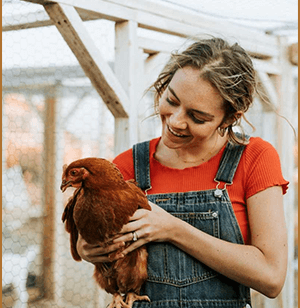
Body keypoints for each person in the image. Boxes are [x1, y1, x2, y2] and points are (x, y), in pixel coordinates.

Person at [77, 37, 289, 307]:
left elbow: (271, 278)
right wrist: (88, 248)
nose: (176, 121)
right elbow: (89, 244)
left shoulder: (254, 158)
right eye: (171, 100)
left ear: (231, 117)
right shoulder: (128, 164)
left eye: (197, 117)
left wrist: (173, 229)